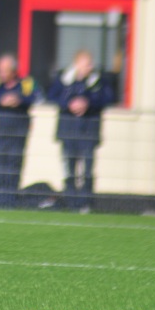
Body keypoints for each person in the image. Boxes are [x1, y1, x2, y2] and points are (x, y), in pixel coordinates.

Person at [47, 49, 115, 213]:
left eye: (90, 64)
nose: (89, 67)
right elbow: (51, 96)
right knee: (69, 169)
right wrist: (70, 103)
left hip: (89, 132)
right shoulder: (64, 79)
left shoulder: (99, 81)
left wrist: (88, 102)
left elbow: (109, 98)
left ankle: (86, 203)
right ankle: (71, 202)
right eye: (85, 64)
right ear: (76, 64)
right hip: (68, 131)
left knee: (88, 170)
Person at [0, 53, 42, 208]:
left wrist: (19, 100)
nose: (1, 74)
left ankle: (11, 199)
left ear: (14, 71)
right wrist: (1, 101)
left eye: (5, 71)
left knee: (14, 163)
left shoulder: (26, 83)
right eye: (0, 70)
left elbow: (38, 97)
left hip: (19, 131)